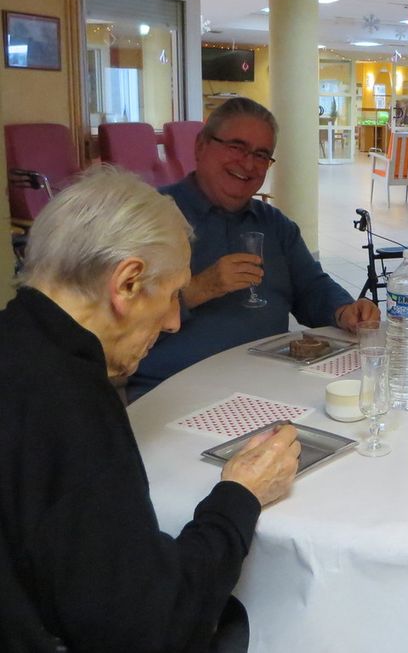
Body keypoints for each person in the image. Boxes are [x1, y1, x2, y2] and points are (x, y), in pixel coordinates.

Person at [0, 166, 301, 651]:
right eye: (173, 295)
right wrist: (239, 497)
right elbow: (151, 623)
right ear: (127, 283)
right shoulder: (72, 404)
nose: (175, 321)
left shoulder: (17, 343)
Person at [130, 97, 378, 398]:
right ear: (201, 146)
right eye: (236, 147)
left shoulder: (274, 226)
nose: (248, 164)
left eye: (261, 155)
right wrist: (200, 287)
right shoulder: (148, 220)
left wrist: (344, 310)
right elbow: (118, 318)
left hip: (270, 389)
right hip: (171, 393)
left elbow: (312, 288)